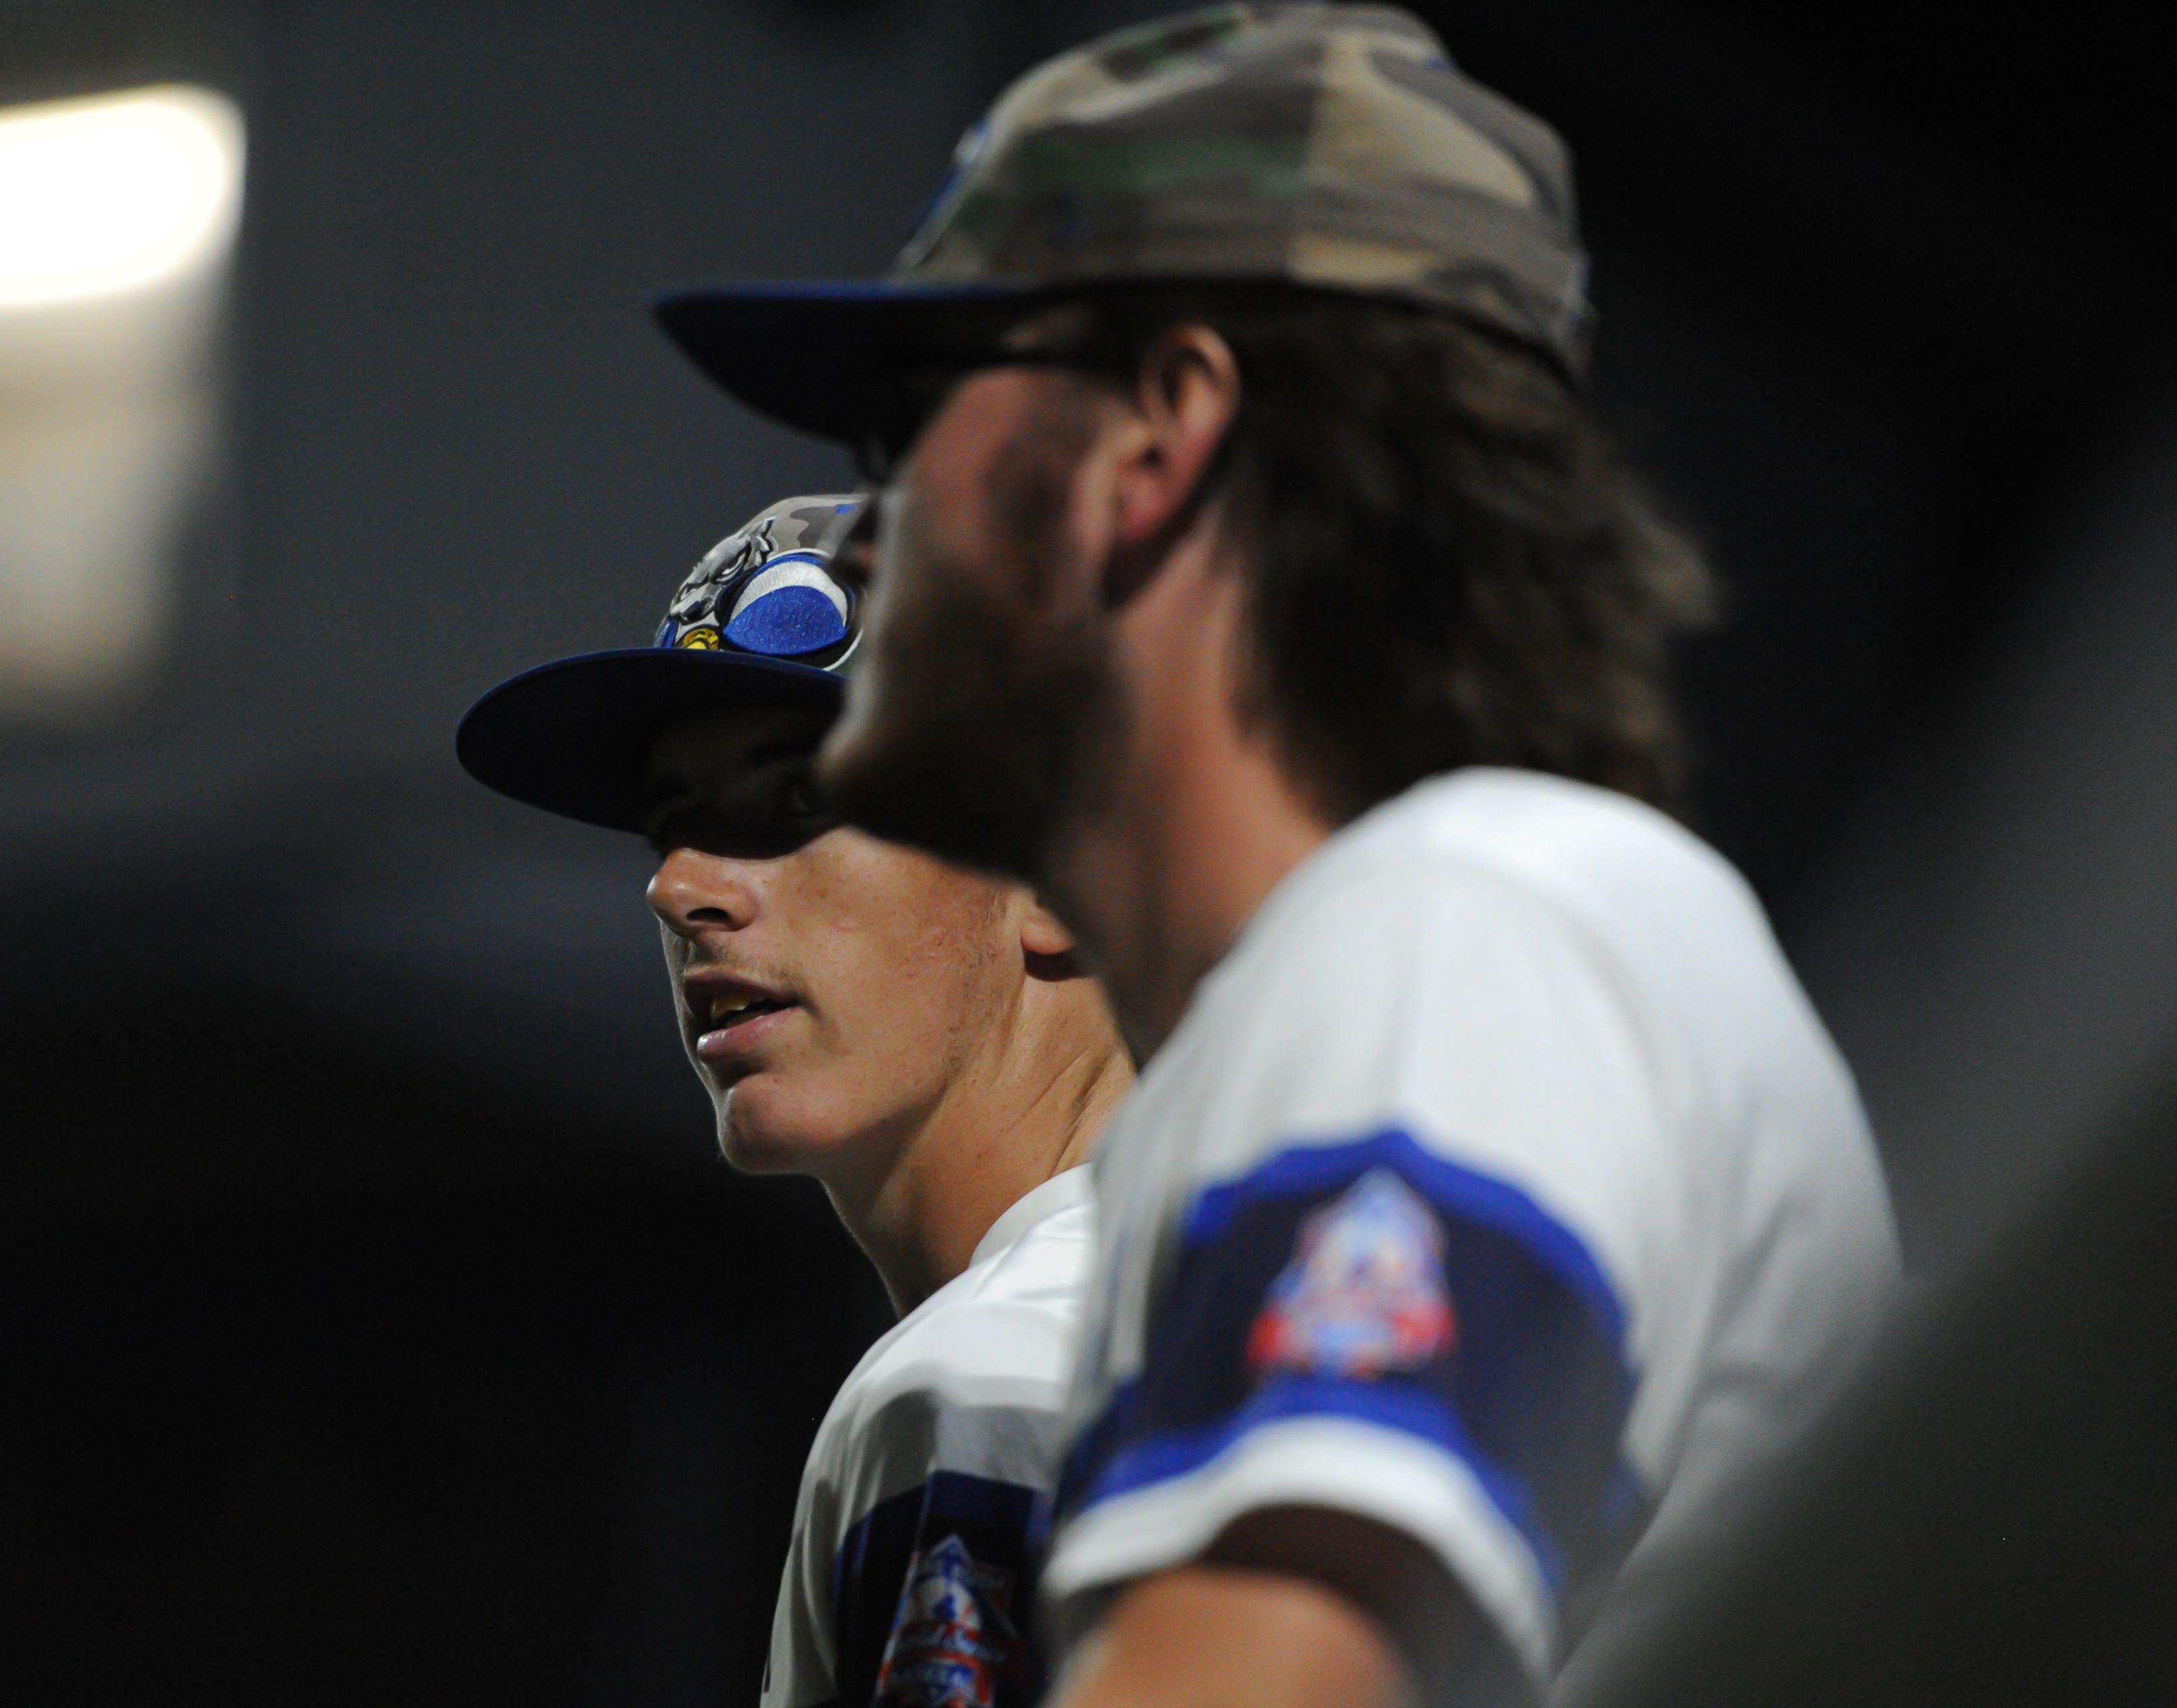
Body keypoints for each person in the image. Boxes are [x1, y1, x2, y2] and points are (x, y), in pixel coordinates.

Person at [653, 9, 1900, 1706]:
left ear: (1154, 445)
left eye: (917, 421)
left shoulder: (1455, 930)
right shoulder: (1433, 970)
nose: (879, 523)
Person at [455, 494, 1132, 1707]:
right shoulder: (1285, 1289)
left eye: (802, 800)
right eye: (672, 825)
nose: (678, 887)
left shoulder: (988, 1379)